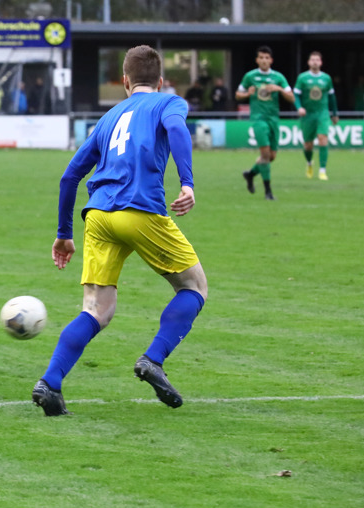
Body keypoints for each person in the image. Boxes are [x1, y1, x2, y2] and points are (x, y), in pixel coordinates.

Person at [32, 45, 207, 416]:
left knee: (96, 310)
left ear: (125, 81)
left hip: (97, 216)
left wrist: (65, 233)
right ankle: (153, 359)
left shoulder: (108, 118)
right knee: (193, 287)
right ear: (160, 81)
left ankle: (50, 382)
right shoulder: (168, 103)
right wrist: (187, 181)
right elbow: (176, 128)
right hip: (140, 210)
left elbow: (70, 176)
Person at [236, 46, 294, 200]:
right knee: (265, 154)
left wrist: (279, 90)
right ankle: (268, 192)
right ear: (257, 60)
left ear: (271, 60)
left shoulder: (278, 77)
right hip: (258, 119)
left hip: (273, 119)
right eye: (261, 57)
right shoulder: (250, 76)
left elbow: (292, 98)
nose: (264, 60)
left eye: (266, 58)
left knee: (272, 156)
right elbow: (237, 94)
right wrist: (247, 94)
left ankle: (251, 174)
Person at [293, 51, 339, 181]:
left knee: (322, 138)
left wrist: (334, 114)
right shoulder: (302, 78)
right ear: (308, 62)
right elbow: (296, 94)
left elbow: (332, 97)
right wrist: (299, 107)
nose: (315, 62)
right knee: (308, 145)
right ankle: (309, 163)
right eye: (312, 59)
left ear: (321, 62)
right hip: (307, 115)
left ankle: (322, 170)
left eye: (317, 60)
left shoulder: (326, 78)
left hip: (322, 113)